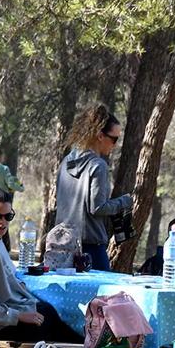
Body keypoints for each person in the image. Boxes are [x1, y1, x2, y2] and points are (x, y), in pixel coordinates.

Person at [0, 189, 79, 344]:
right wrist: (17, 315)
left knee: (49, 311)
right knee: (49, 318)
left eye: (8, 216)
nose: (3, 222)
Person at [55, 104, 133, 271]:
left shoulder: (66, 162)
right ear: (99, 136)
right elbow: (97, 208)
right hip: (91, 248)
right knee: (104, 296)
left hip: (62, 245)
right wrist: (124, 202)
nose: (115, 145)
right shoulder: (98, 165)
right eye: (114, 139)